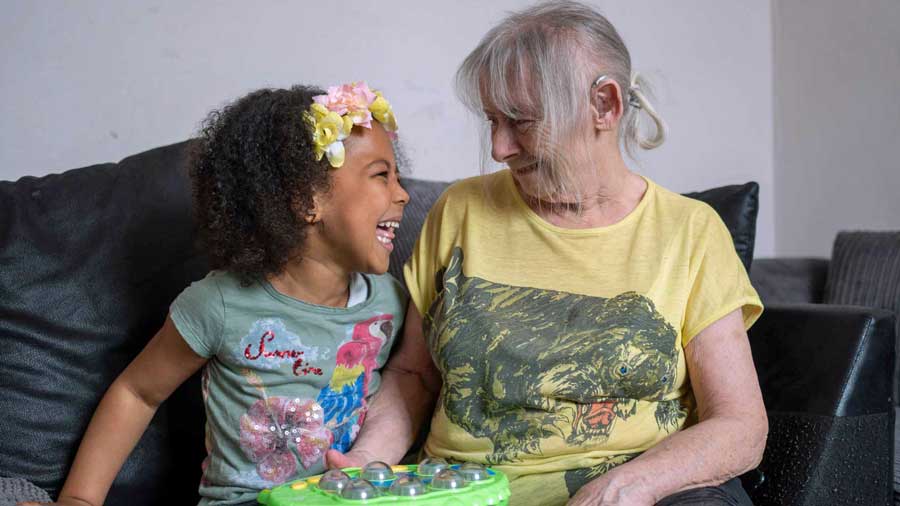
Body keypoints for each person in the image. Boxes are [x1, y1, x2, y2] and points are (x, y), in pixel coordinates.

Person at [327, 2, 768, 505]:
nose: (498, 147)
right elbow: (413, 374)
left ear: (604, 105)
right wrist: (365, 464)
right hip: (460, 490)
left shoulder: (691, 232)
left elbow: (739, 425)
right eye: (493, 120)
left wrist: (629, 486)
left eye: (521, 121)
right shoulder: (459, 210)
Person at [20, 82, 410, 506]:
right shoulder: (219, 304)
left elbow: (412, 382)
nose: (402, 193)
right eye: (381, 176)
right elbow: (137, 392)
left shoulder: (390, 302)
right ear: (306, 200)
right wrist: (79, 499)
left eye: (399, 177)